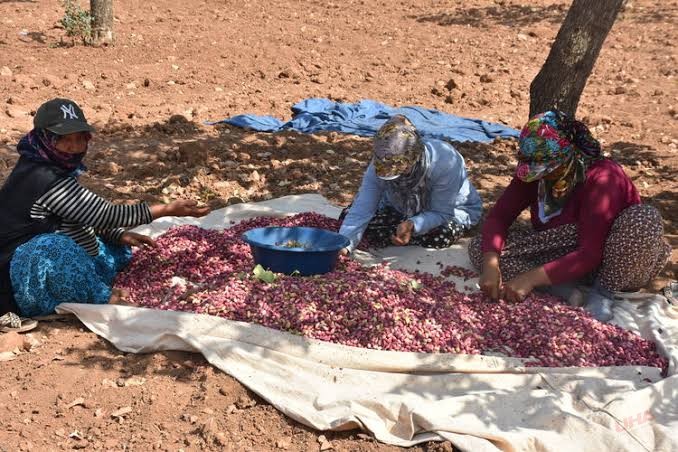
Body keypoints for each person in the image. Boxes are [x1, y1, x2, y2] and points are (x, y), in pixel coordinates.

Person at [0, 98, 210, 324]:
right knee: (53, 250)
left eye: (79, 139)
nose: (73, 147)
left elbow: (78, 213)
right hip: (17, 276)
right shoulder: (42, 177)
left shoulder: (44, 165)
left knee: (114, 249)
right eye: (64, 140)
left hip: (46, 247)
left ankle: (91, 284)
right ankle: (101, 297)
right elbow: (105, 214)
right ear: (44, 139)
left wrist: (117, 234)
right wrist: (167, 210)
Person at [468, 110, 671, 322]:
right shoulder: (534, 174)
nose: (542, 174)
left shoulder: (603, 177)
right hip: (563, 254)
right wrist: (491, 264)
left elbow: (591, 253)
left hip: (617, 261)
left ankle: (602, 293)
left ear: (569, 156)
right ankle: (561, 288)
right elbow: (499, 217)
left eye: (548, 168)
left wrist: (529, 279)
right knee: (481, 247)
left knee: (644, 219)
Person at [339, 115, 482, 253]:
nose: (393, 175)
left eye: (399, 170)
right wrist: (344, 245)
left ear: (414, 158)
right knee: (347, 218)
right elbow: (363, 208)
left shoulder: (446, 163)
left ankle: (400, 231)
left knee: (441, 235)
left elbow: (441, 212)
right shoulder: (382, 162)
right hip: (400, 207)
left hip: (445, 211)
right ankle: (398, 231)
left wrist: (413, 224)